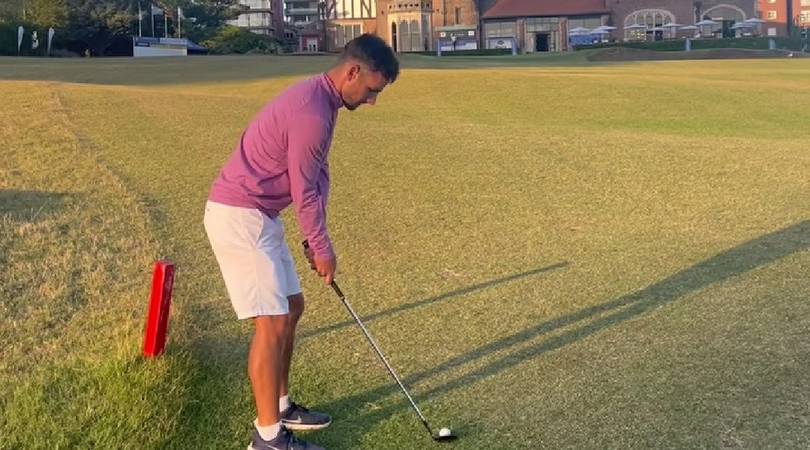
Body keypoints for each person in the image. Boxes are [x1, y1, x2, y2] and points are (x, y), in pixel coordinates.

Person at [203, 34, 399, 450]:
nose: (372, 101)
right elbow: (304, 189)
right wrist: (322, 247)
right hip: (241, 217)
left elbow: (317, 175)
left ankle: (281, 405)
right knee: (271, 322)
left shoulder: (324, 102)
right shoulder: (312, 111)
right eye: (371, 90)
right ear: (352, 72)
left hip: (261, 216)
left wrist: (315, 238)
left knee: (291, 307)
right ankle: (268, 438)